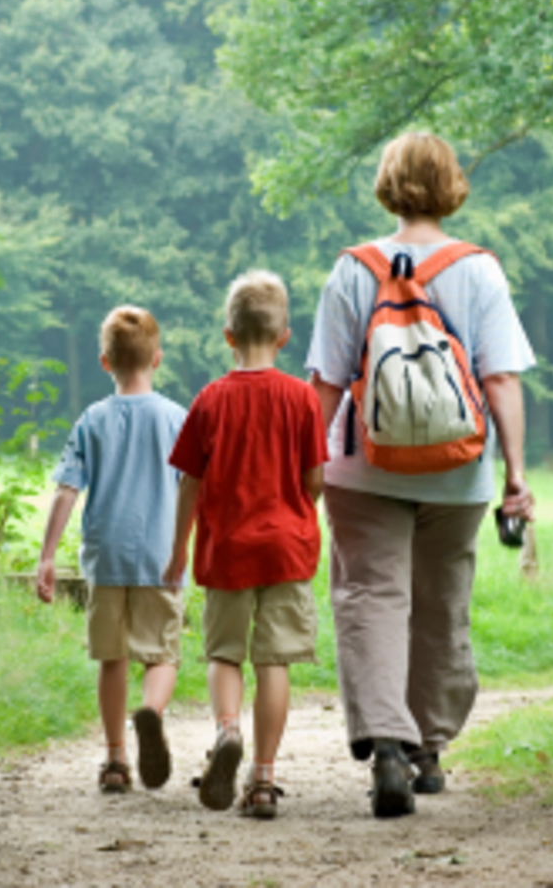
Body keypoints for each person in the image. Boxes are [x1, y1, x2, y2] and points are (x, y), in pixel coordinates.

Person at [306, 131, 537, 818]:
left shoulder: (353, 268)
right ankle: (427, 748)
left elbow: (322, 383)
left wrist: (305, 463)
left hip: (361, 465)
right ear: (451, 185)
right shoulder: (481, 271)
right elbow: (500, 380)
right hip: (458, 470)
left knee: (370, 599)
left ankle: (386, 744)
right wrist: (517, 475)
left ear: (386, 185)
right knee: (440, 604)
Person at [164, 270, 328, 820]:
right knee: (274, 660)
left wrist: (177, 551)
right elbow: (314, 480)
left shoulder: (209, 400)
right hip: (286, 549)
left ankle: (226, 730)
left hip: (226, 549)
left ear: (227, 336)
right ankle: (262, 779)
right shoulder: (303, 399)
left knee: (224, 653)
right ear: (285, 337)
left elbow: (188, 482)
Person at [35, 305, 188, 795]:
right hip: (161, 557)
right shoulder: (176, 419)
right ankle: (151, 712)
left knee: (112, 659)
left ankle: (117, 760)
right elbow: (197, 488)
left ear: (105, 362)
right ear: (157, 358)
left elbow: (65, 491)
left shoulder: (92, 420)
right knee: (161, 653)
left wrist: (46, 556)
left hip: (106, 559)